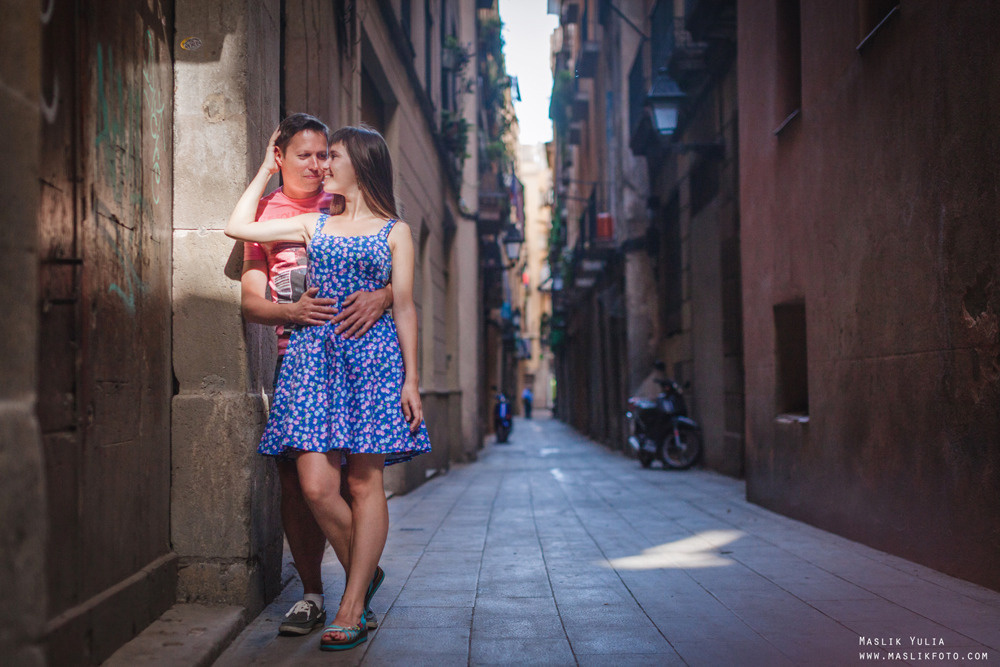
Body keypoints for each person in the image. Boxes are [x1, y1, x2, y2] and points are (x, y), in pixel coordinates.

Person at [226, 124, 431, 652]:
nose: (321, 167)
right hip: (314, 362)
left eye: (331, 157)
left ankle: (352, 604)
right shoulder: (313, 224)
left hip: (375, 361)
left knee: (364, 485)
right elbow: (237, 227)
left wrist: (412, 379)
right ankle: (364, 573)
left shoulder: (396, 232)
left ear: (359, 166)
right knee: (316, 484)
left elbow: (405, 306)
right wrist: (265, 171)